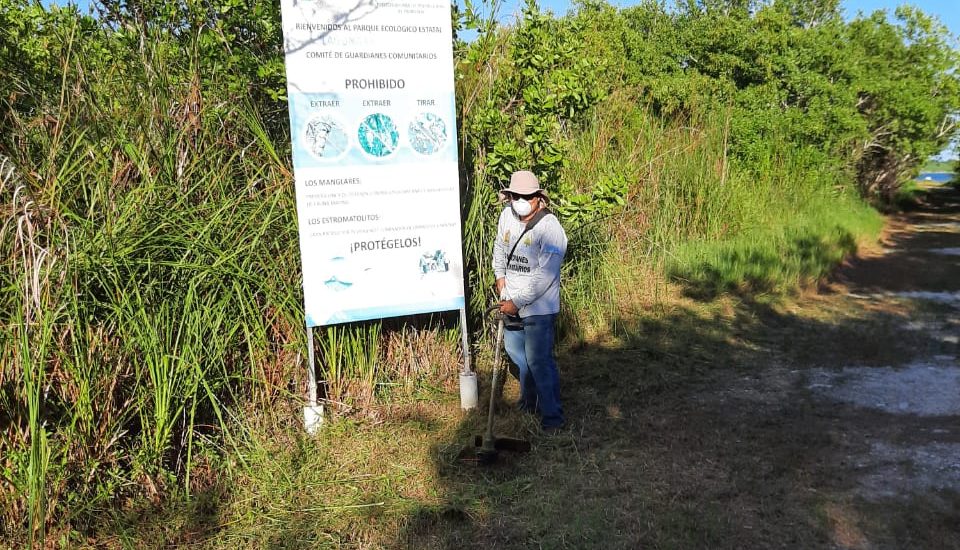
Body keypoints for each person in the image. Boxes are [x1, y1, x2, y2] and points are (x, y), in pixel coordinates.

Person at [492, 170, 568, 432]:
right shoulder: (506, 217)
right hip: (510, 300)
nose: (520, 200)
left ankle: (552, 419)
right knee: (518, 356)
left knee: (538, 361)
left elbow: (544, 275)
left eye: (526, 196)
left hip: (538, 306)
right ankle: (529, 402)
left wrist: (518, 301)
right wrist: (500, 280)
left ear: (538, 198)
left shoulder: (550, 229)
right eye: (516, 195)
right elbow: (499, 250)